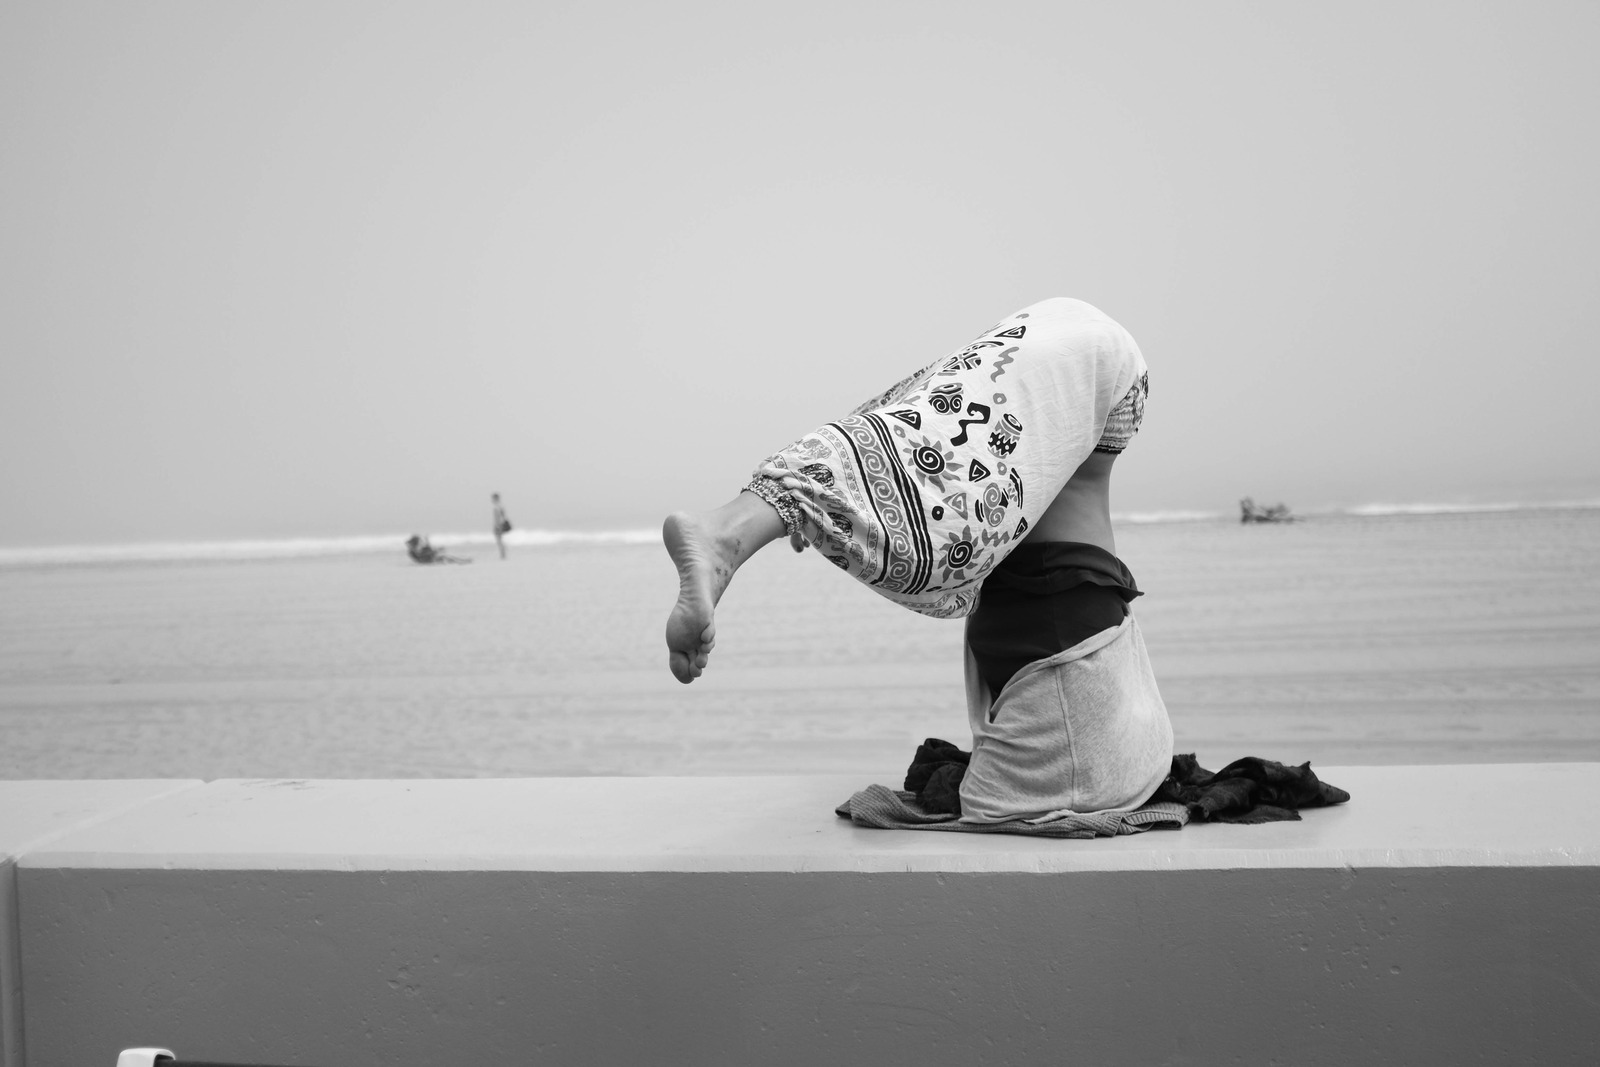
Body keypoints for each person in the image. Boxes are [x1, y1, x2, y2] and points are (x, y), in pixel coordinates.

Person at [662, 297, 1171, 822]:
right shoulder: (1046, 785)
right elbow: (989, 808)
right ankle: (746, 523)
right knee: (928, 480)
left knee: (933, 443)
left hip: (1078, 347)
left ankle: (753, 519)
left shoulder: (1065, 776)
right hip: (1062, 631)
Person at [491, 493, 512, 560]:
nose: (492, 500)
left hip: (498, 525)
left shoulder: (497, 506)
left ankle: (503, 555)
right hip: (499, 524)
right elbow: (503, 516)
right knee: (499, 540)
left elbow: (498, 517)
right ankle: (503, 553)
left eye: (493, 498)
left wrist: (497, 526)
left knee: (499, 540)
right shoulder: (500, 506)